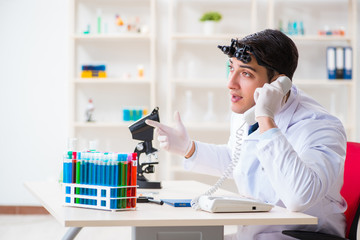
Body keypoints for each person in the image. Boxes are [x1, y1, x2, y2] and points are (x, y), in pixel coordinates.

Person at [146, 29, 347, 240]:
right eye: (231, 69)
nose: (230, 83)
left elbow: (299, 197)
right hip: (255, 232)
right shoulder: (247, 111)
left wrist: (266, 119)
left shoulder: (320, 126)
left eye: (246, 73)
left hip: (296, 236)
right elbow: (239, 160)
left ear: (279, 83)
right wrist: (189, 149)